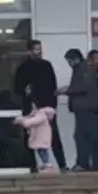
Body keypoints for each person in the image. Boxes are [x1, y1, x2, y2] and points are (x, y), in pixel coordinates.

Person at [13, 39, 67, 171]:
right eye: (36, 49)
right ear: (30, 51)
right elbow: (17, 89)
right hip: (31, 108)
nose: (39, 52)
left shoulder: (46, 66)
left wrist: (52, 106)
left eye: (40, 49)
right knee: (31, 137)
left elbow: (52, 87)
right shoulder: (23, 68)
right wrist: (26, 92)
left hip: (46, 108)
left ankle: (62, 165)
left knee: (53, 136)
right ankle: (32, 166)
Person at [66, 49, 98, 171]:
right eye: (95, 58)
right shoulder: (86, 72)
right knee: (88, 138)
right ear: (89, 59)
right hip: (91, 112)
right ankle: (86, 164)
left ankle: (95, 165)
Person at [14, 103, 59, 174]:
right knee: (41, 151)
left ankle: (48, 165)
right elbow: (29, 118)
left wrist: (21, 121)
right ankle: (45, 164)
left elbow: (30, 122)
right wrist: (21, 119)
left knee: (43, 151)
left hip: (42, 138)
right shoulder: (38, 114)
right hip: (40, 137)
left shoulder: (41, 115)